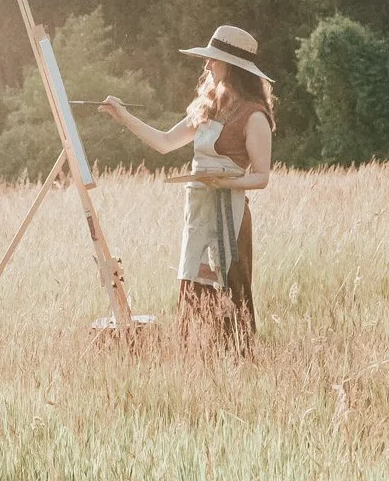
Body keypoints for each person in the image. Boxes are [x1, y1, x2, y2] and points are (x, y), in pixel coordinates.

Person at [99, 26, 275, 352]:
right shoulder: (207, 106)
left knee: (228, 289)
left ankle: (234, 362)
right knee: (194, 285)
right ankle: (195, 360)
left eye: (214, 61)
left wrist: (224, 182)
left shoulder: (254, 115)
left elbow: (261, 176)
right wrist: (124, 117)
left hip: (229, 218)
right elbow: (165, 142)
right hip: (198, 213)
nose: (207, 67)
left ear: (232, 67)